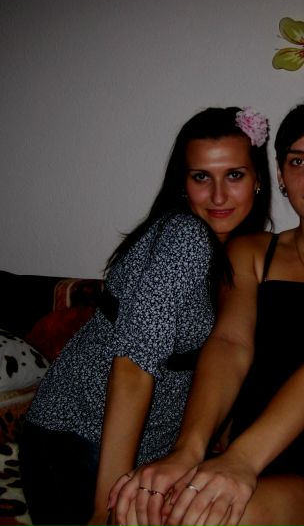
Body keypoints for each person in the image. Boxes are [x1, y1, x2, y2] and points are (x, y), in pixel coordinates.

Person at [110, 95, 304, 526]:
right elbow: (229, 344)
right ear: (280, 174)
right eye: (298, 162)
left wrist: (240, 460)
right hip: (244, 463)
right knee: (152, 511)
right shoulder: (251, 250)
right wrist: (188, 450)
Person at [19, 106, 272, 526]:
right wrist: (106, 507)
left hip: (140, 454)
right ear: (182, 183)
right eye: (201, 177)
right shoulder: (185, 237)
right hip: (81, 441)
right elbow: (133, 367)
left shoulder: (239, 254)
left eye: (234, 175)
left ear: (257, 179)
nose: (218, 196)